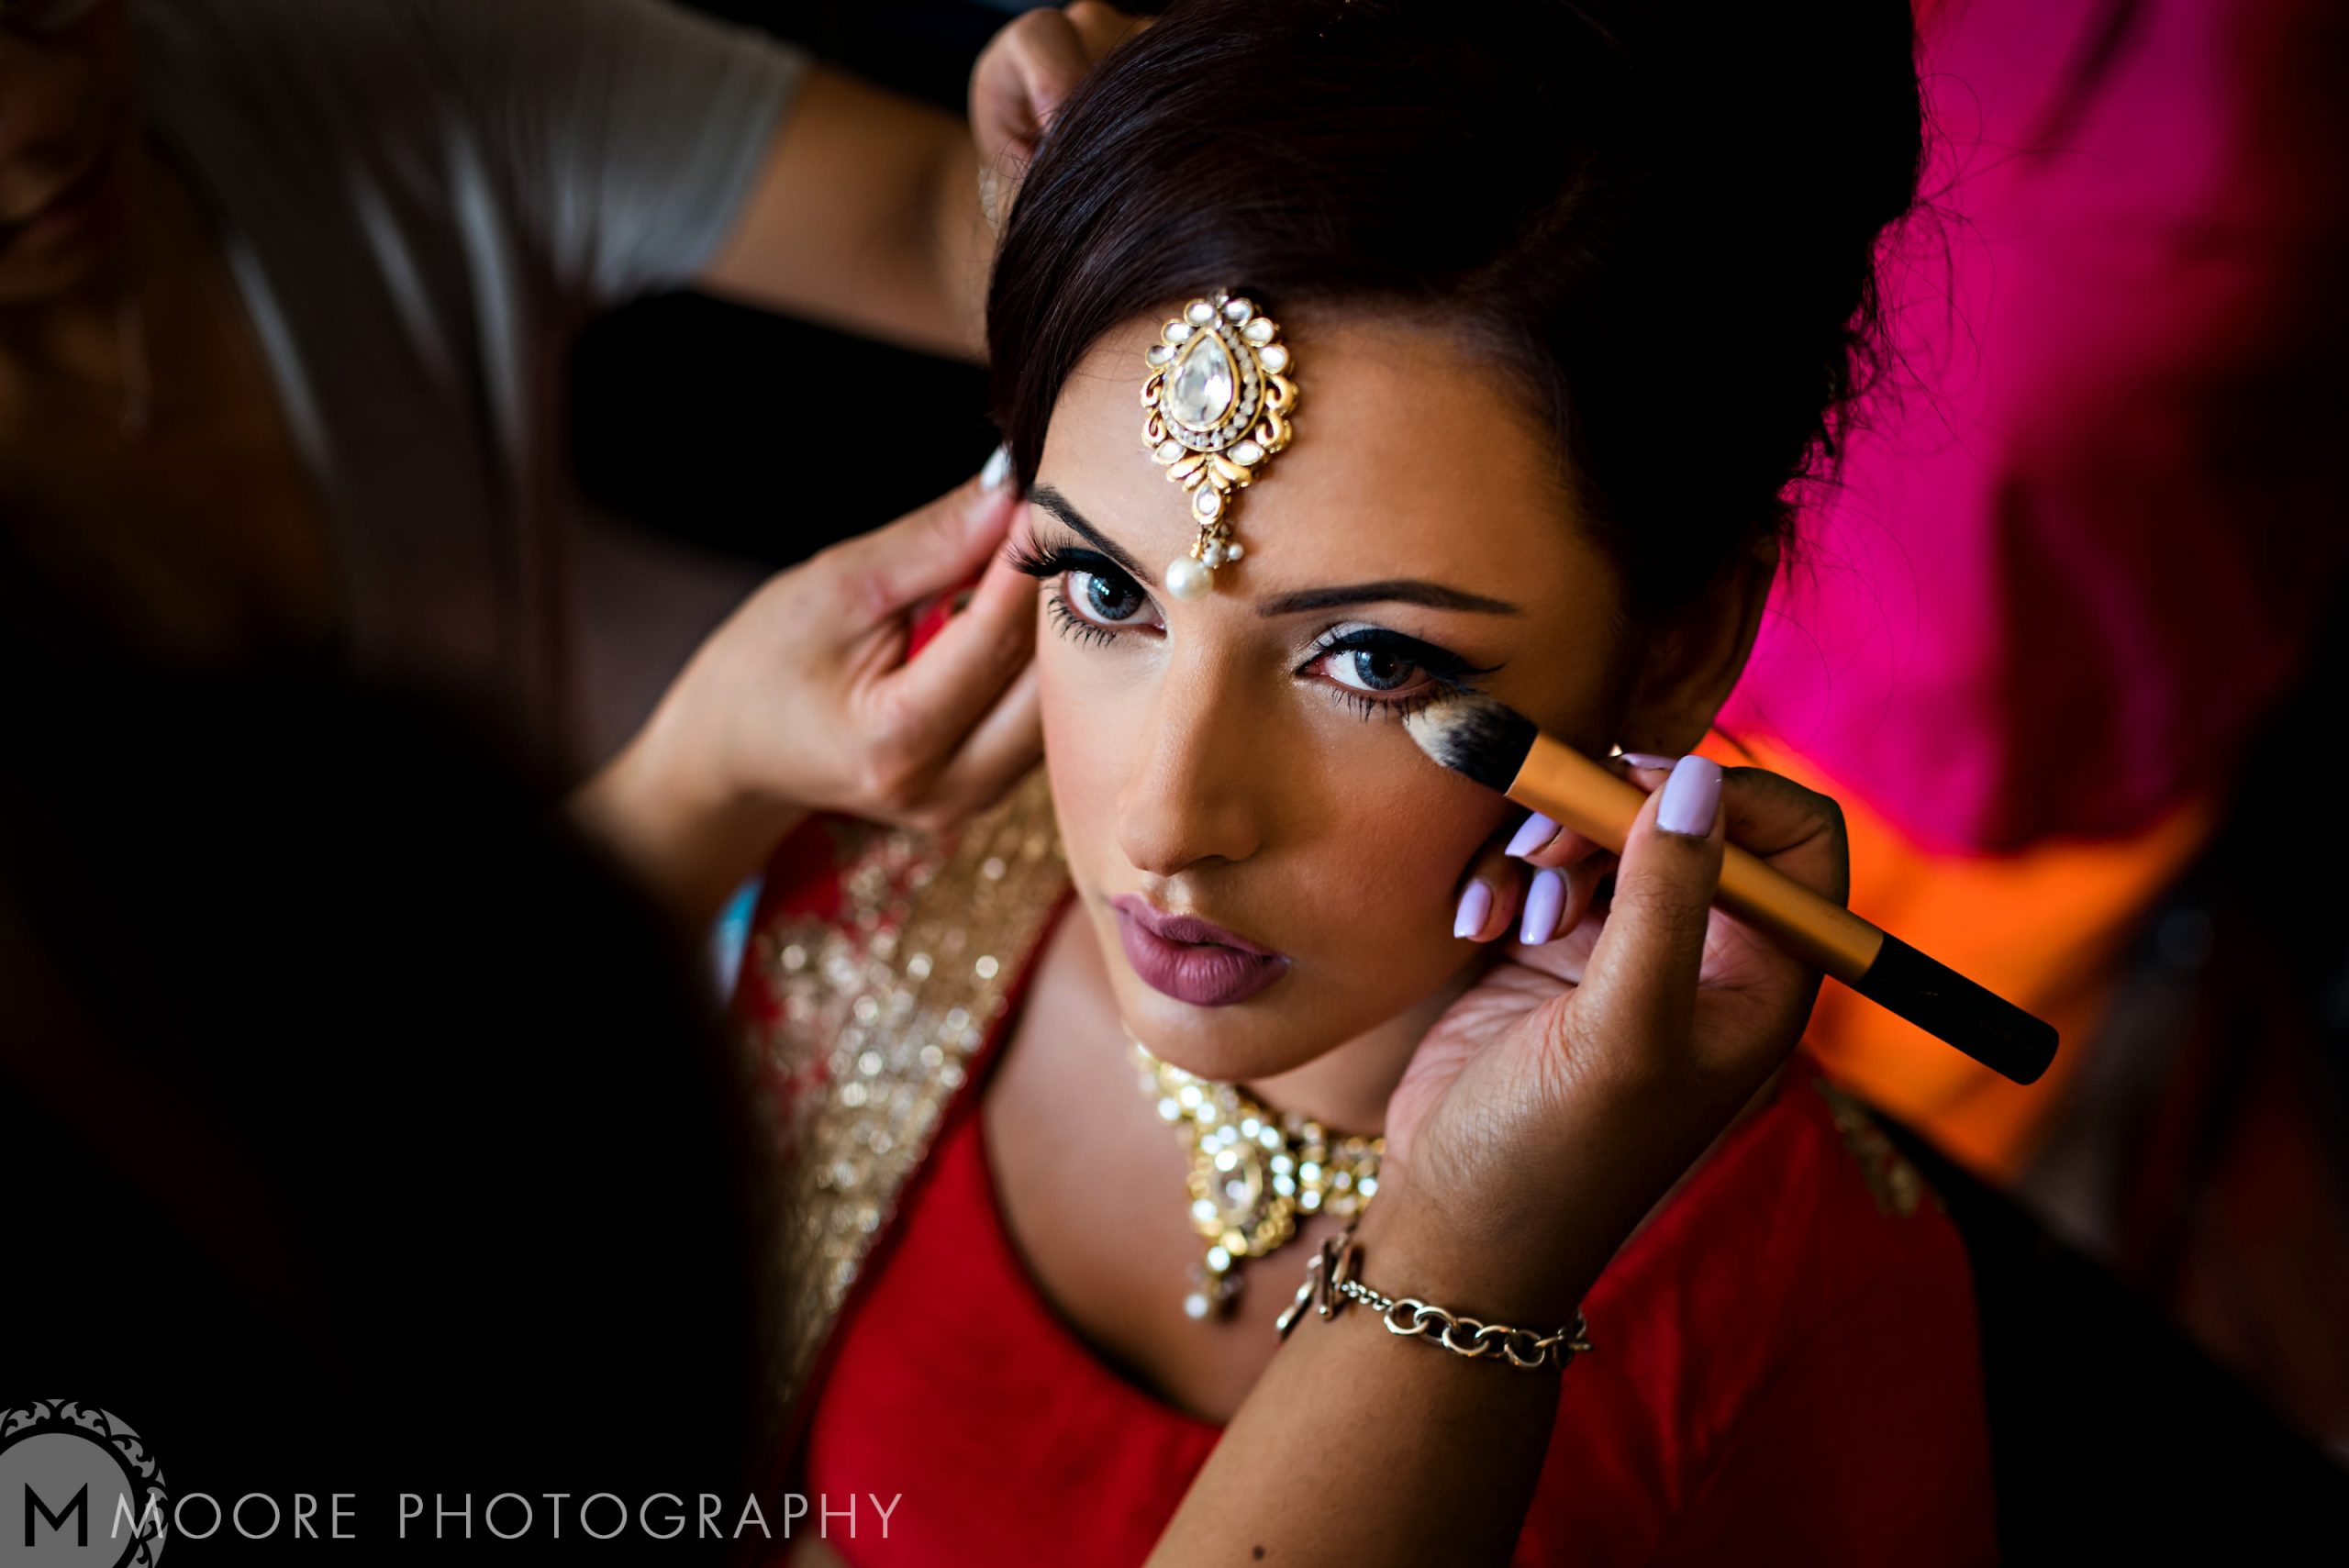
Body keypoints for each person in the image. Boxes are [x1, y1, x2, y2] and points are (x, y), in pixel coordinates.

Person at [588, 0, 1997, 1560]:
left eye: (1376, 661)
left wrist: (1470, 1261)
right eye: (1107, 593)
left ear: (1683, 639)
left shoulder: (1800, 1303)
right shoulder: (887, 871)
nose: (1163, 821)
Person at [0, 0, 1130, 762]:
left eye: (36, 6)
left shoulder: (353, 62)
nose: (43, 116)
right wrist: (706, 779)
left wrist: (1052, 175)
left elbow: (932, 225)